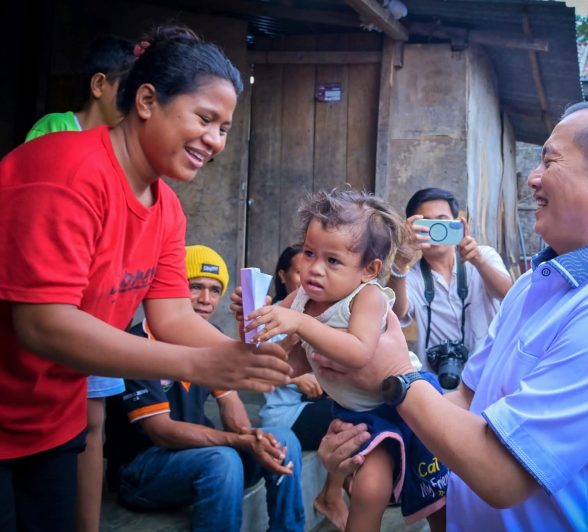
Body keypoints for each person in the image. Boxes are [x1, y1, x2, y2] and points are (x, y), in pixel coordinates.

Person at [317, 100, 588, 529]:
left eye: (550, 160)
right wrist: (369, 433)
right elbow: (469, 399)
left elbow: (503, 474)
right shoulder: (533, 285)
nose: (533, 177)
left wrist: (396, 377)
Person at [0, 25, 291, 532]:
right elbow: (42, 325)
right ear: (148, 100)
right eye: (205, 119)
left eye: (224, 128)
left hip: (51, 422)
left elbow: (173, 315)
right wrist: (203, 364)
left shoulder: (166, 209)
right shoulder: (64, 172)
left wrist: (245, 360)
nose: (216, 141)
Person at [239, 188, 447, 531]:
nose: (314, 269)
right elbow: (284, 363)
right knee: (369, 489)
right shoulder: (301, 298)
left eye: (332, 260)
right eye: (308, 253)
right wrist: (249, 318)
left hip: (408, 402)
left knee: (437, 494)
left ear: (369, 269)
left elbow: (359, 352)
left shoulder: (367, 297)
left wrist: (301, 324)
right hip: (360, 413)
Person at [104, 244, 304, 532]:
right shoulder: (139, 342)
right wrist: (238, 442)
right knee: (222, 459)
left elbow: (232, 406)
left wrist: (254, 437)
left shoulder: (212, 340)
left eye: (214, 290)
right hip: (143, 469)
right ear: (172, 290)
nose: (205, 299)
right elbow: (162, 432)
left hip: (203, 457)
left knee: (282, 440)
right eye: (195, 287)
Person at [23, 34, 137, 532]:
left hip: (102, 312)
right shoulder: (55, 135)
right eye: (128, 91)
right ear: (98, 86)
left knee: (93, 424)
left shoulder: (129, 162)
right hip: (64, 310)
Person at [258, 244, 349, 530]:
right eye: (299, 272)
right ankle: (332, 496)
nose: (308, 277)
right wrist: (297, 378)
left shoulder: (322, 314)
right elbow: (257, 368)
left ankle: (345, 493)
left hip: (313, 407)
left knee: (361, 412)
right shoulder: (272, 315)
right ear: (283, 276)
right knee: (348, 415)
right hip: (286, 415)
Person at [387, 188, 512, 388]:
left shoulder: (484, 256)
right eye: (426, 223)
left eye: (442, 220)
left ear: (459, 224)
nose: (436, 229)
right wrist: (400, 263)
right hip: (437, 382)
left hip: (489, 376)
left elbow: (508, 293)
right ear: (412, 228)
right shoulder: (410, 277)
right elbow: (395, 312)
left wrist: (477, 261)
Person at [25, 35, 135, 142]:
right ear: (98, 84)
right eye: (126, 92)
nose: (132, 104)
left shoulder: (118, 145)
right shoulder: (55, 128)